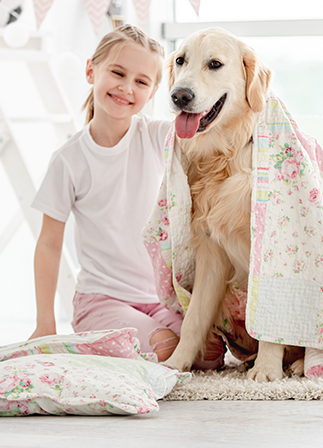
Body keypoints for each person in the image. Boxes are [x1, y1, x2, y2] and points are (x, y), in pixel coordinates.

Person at [28, 24, 223, 367]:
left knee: (211, 353)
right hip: (101, 300)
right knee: (167, 349)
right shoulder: (69, 160)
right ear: (91, 71)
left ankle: (132, 339)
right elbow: (48, 244)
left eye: (141, 82)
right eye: (117, 73)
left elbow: (207, 135)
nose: (126, 88)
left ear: (153, 92)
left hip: (158, 298)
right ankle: (95, 338)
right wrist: (45, 323)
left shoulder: (156, 136)